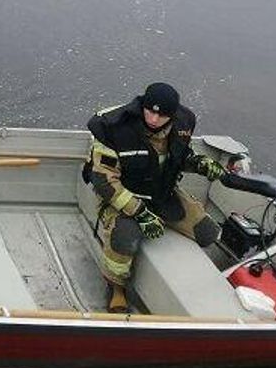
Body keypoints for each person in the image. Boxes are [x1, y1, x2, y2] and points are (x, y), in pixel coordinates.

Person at [83, 82, 230, 313]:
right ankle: (116, 288)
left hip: (162, 193)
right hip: (122, 196)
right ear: (143, 105)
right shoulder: (113, 128)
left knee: (207, 232)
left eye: (161, 115)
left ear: (172, 116)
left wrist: (199, 163)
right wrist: (140, 213)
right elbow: (104, 182)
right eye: (149, 111)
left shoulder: (183, 124)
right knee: (125, 236)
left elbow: (179, 155)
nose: (153, 119)